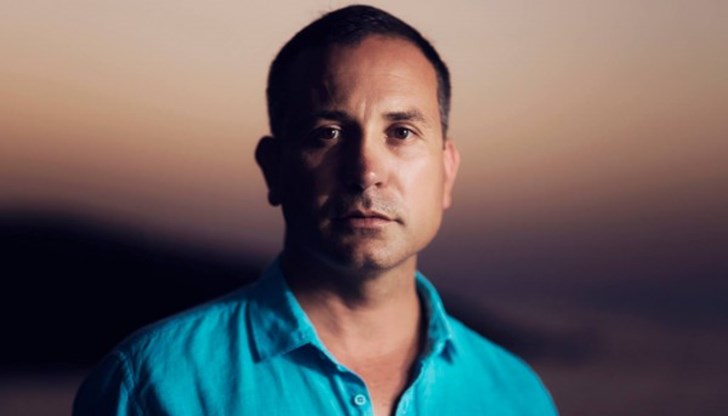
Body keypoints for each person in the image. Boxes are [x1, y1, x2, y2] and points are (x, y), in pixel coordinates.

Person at [74, 5, 558, 415]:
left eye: (401, 132)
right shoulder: (149, 387)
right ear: (273, 169)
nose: (366, 171)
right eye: (327, 133)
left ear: (447, 172)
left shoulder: (518, 396)